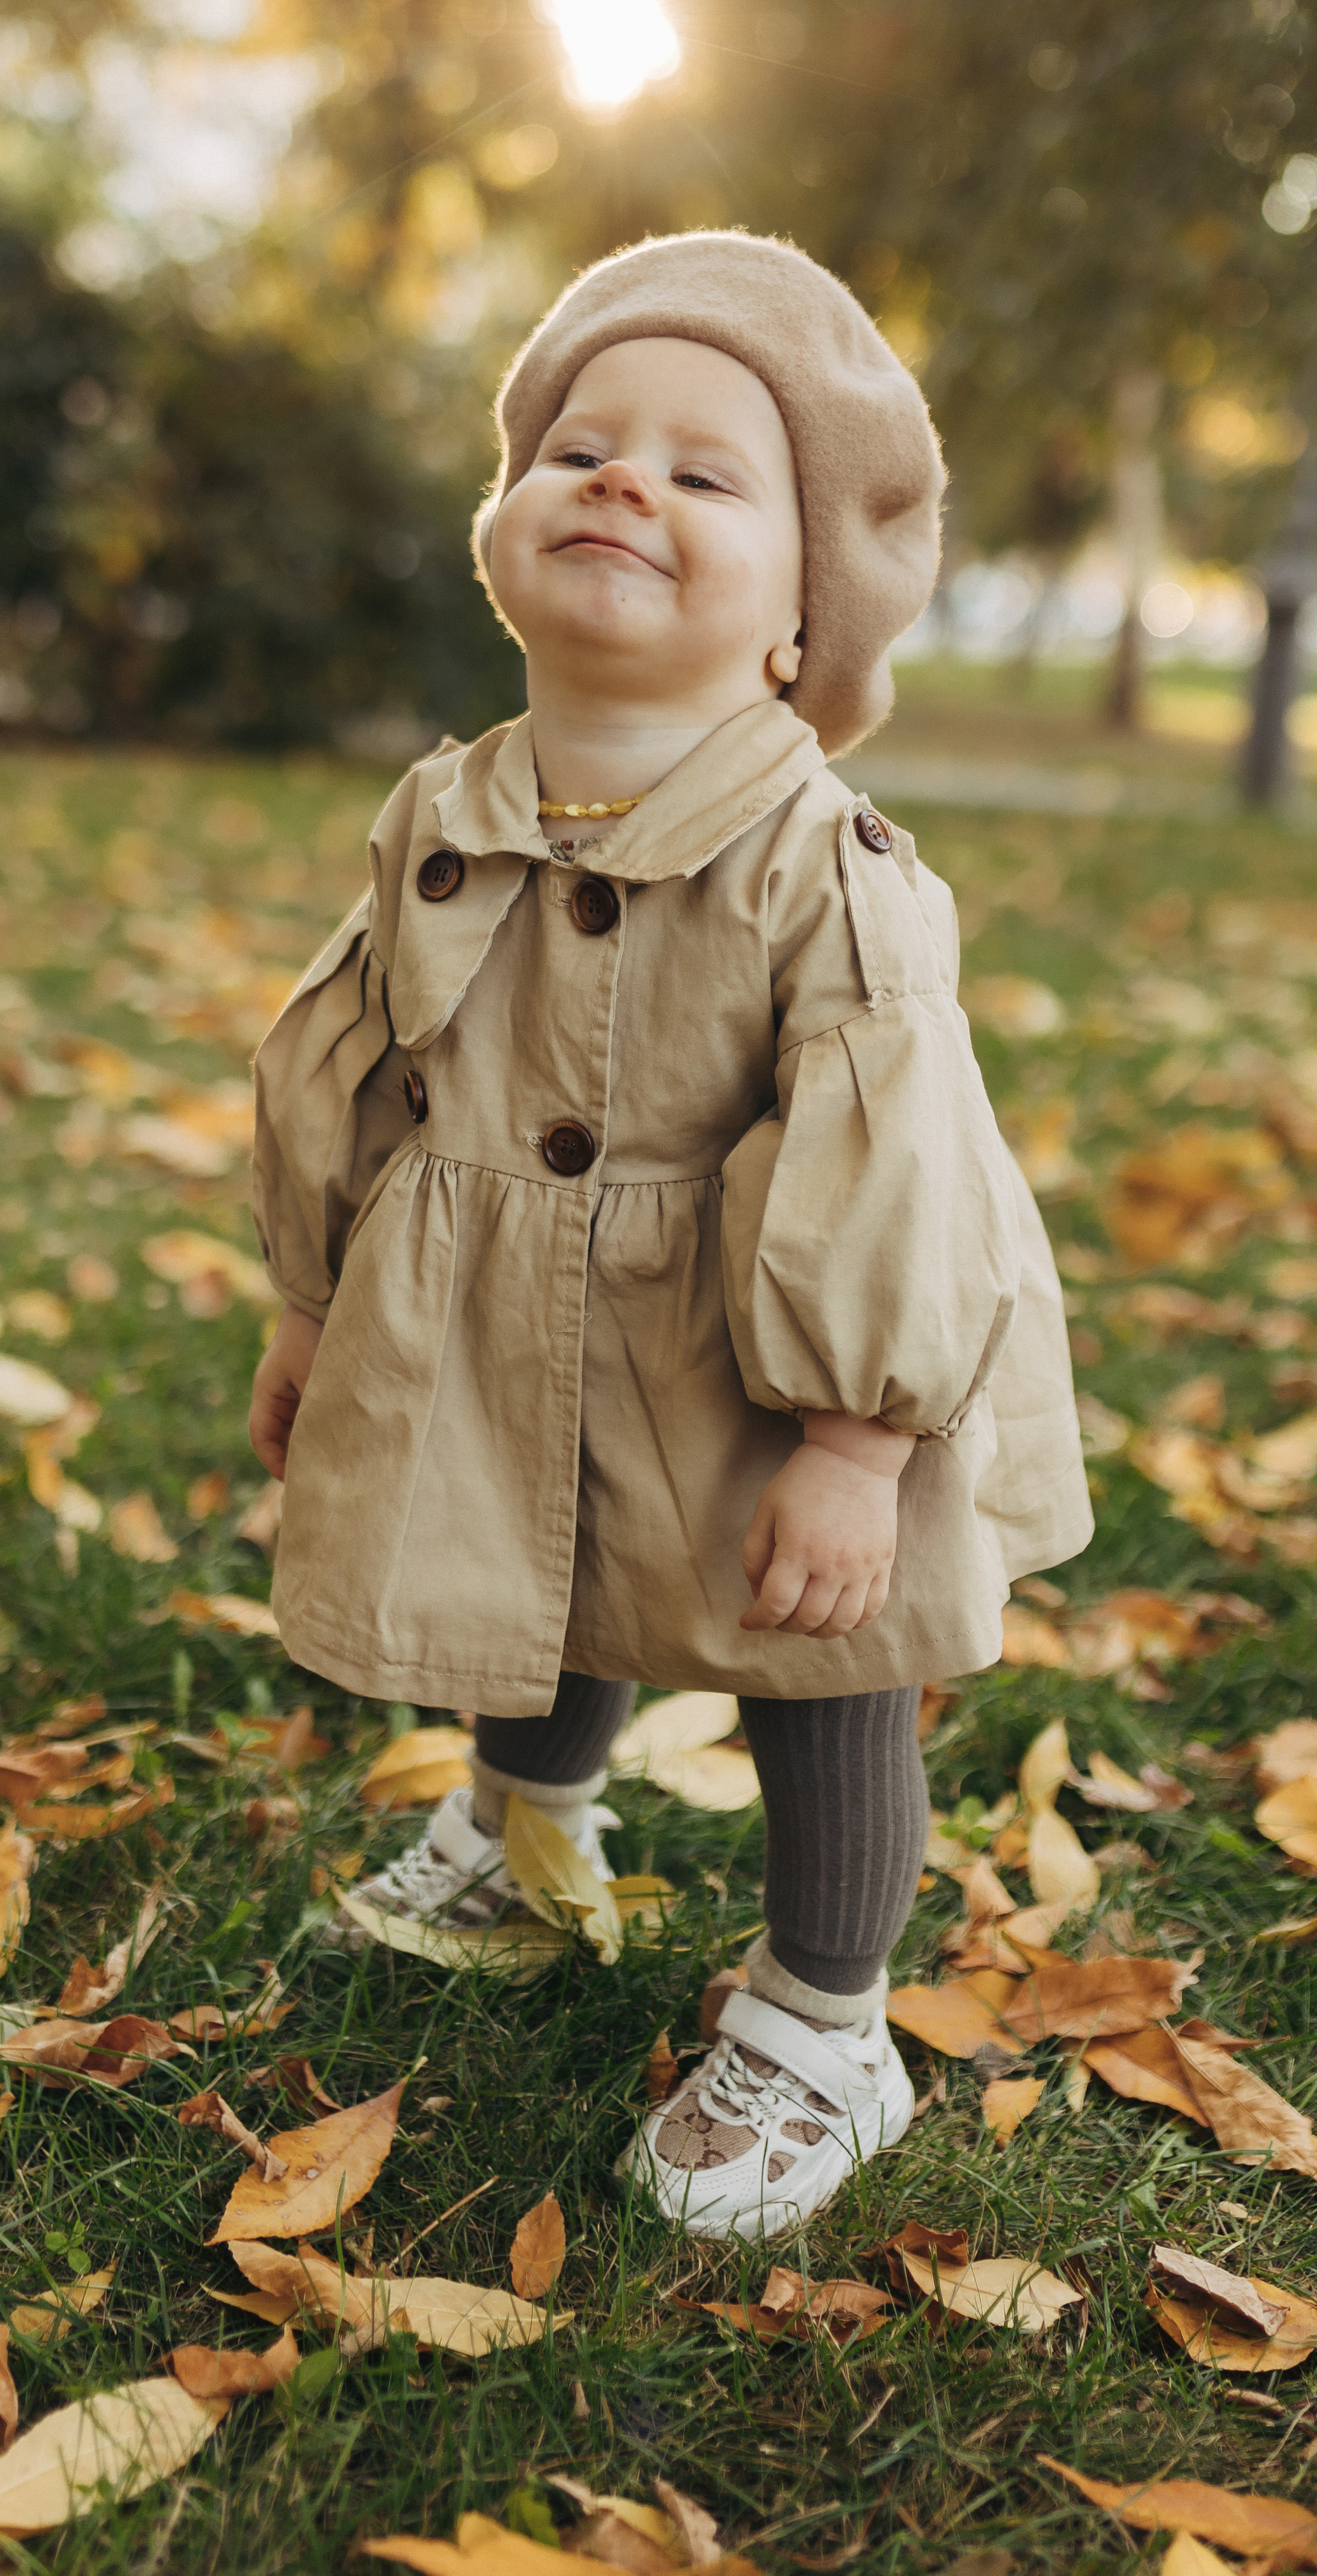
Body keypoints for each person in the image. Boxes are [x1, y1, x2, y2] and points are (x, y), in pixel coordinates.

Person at [247, 231, 1092, 2243]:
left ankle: (825, 2022)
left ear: (809, 626)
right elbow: (352, 1057)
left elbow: (899, 1158)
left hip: (773, 1344)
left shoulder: (835, 874)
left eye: (707, 477)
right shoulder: (443, 815)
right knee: (528, 1547)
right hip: (501, 1305)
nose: (625, 481)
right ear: (504, 534)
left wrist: (862, 1444)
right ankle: (532, 1826)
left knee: (825, 1653)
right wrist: (311, 1305)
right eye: (583, 450)